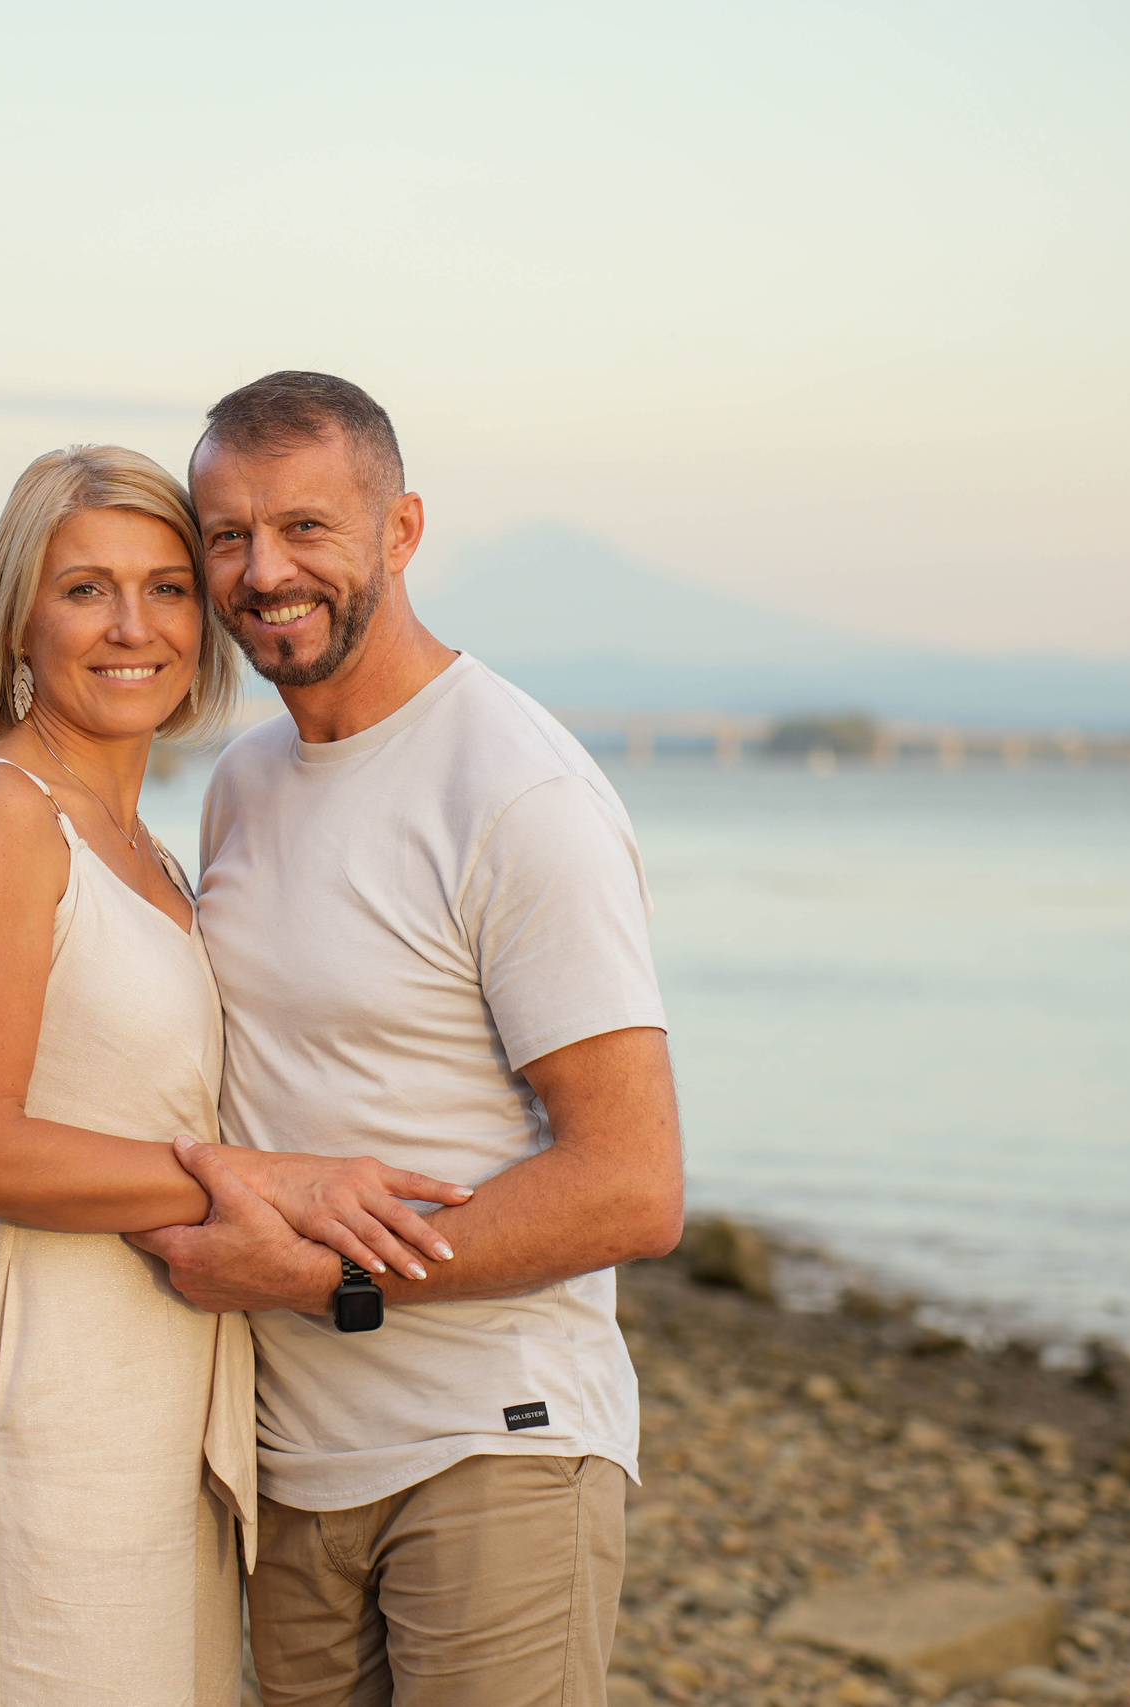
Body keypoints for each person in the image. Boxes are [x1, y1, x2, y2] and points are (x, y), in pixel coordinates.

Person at [127, 372, 686, 1707]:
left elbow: (632, 1181)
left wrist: (320, 1276)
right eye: (228, 534)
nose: (266, 572)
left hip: (495, 1445)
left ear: (401, 530)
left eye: (308, 527)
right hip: (294, 1462)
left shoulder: (518, 790)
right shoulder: (246, 784)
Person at [0, 443, 475, 1707]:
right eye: (85, 589)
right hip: (49, 1387)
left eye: (165, 587)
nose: (132, 627)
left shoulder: (156, 847)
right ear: (17, 621)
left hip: (181, 1395)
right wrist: (261, 1179)